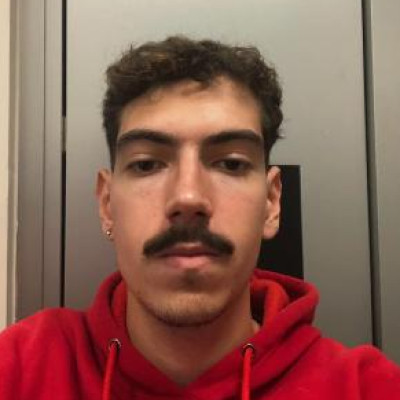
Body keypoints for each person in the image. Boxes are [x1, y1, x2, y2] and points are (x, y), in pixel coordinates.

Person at [1, 36, 399, 400]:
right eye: (146, 164)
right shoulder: (20, 367)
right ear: (107, 204)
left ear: (272, 202)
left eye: (230, 163)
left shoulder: (367, 388)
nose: (188, 197)